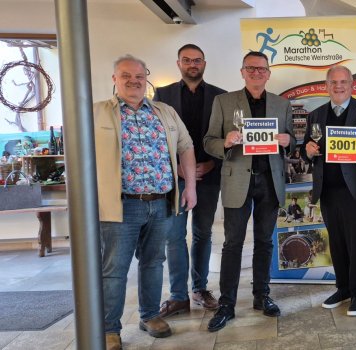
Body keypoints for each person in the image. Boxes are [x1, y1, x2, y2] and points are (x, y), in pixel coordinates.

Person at [93, 54, 197, 350]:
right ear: (114, 79)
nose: (134, 81)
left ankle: (150, 315)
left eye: (139, 76)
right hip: (121, 205)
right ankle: (109, 328)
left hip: (161, 202)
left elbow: (186, 147)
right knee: (115, 268)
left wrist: (190, 187)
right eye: (126, 75)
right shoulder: (97, 113)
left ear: (146, 79)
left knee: (153, 263)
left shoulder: (165, 112)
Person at [203, 51, 294, 331]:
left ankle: (261, 296)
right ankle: (226, 304)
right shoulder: (224, 101)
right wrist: (226, 142)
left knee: (265, 242)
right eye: (251, 68)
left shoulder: (282, 104)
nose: (256, 73)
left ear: (268, 73)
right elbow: (208, 141)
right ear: (242, 72)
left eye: (261, 69)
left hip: (269, 181)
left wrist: (288, 140)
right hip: (237, 181)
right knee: (233, 244)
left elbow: (292, 140)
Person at [302, 65, 356, 316]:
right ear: (326, 86)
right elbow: (306, 151)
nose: (338, 86)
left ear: (352, 85)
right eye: (333, 82)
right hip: (328, 190)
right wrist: (307, 152)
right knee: (337, 242)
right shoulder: (315, 115)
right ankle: (343, 288)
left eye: (343, 82)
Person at [154, 44, 226, 317]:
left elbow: (225, 136)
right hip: (176, 177)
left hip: (208, 174)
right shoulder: (163, 95)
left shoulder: (220, 96)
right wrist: (180, 169)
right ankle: (178, 296)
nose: (192, 65)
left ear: (204, 63)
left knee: (203, 233)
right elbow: (157, 138)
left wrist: (212, 163)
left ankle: (200, 288)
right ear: (179, 64)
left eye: (197, 60)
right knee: (174, 236)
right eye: (187, 60)